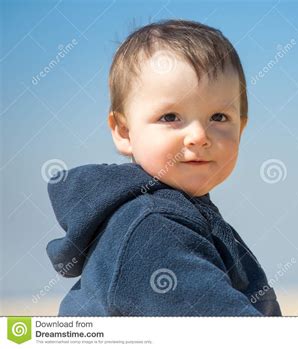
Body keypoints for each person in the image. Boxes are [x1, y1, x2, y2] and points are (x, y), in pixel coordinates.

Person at [46, 19, 282, 316]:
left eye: (219, 117)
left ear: (241, 128)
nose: (198, 136)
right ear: (123, 131)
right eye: (171, 116)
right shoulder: (154, 225)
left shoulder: (182, 212)